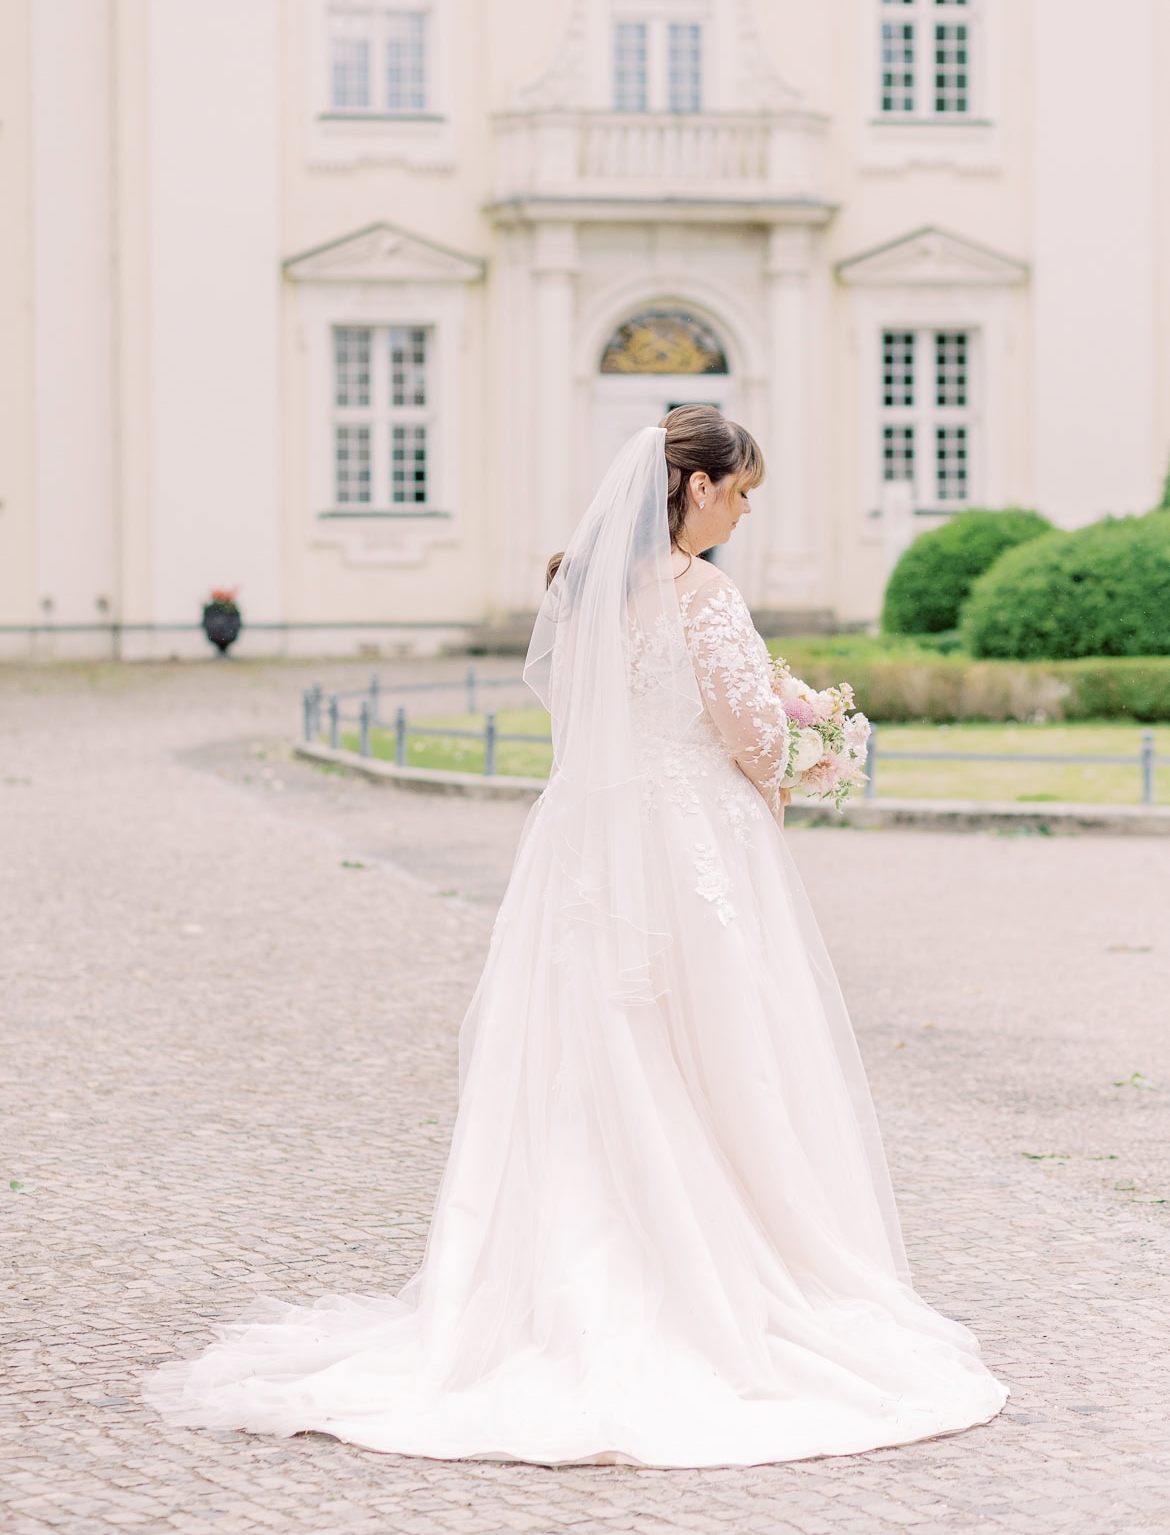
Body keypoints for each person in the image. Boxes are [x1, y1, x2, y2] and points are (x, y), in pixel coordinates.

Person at [144, 408, 1007, 1466]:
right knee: (718, 1051)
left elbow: (601, 715)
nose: (740, 512)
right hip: (692, 844)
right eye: (738, 492)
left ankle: (558, 1274)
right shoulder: (707, 596)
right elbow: (749, 738)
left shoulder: (587, 588)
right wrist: (812, 746)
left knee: (585, 1050)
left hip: (592, 844)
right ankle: (714, 1275)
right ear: (693, 487)